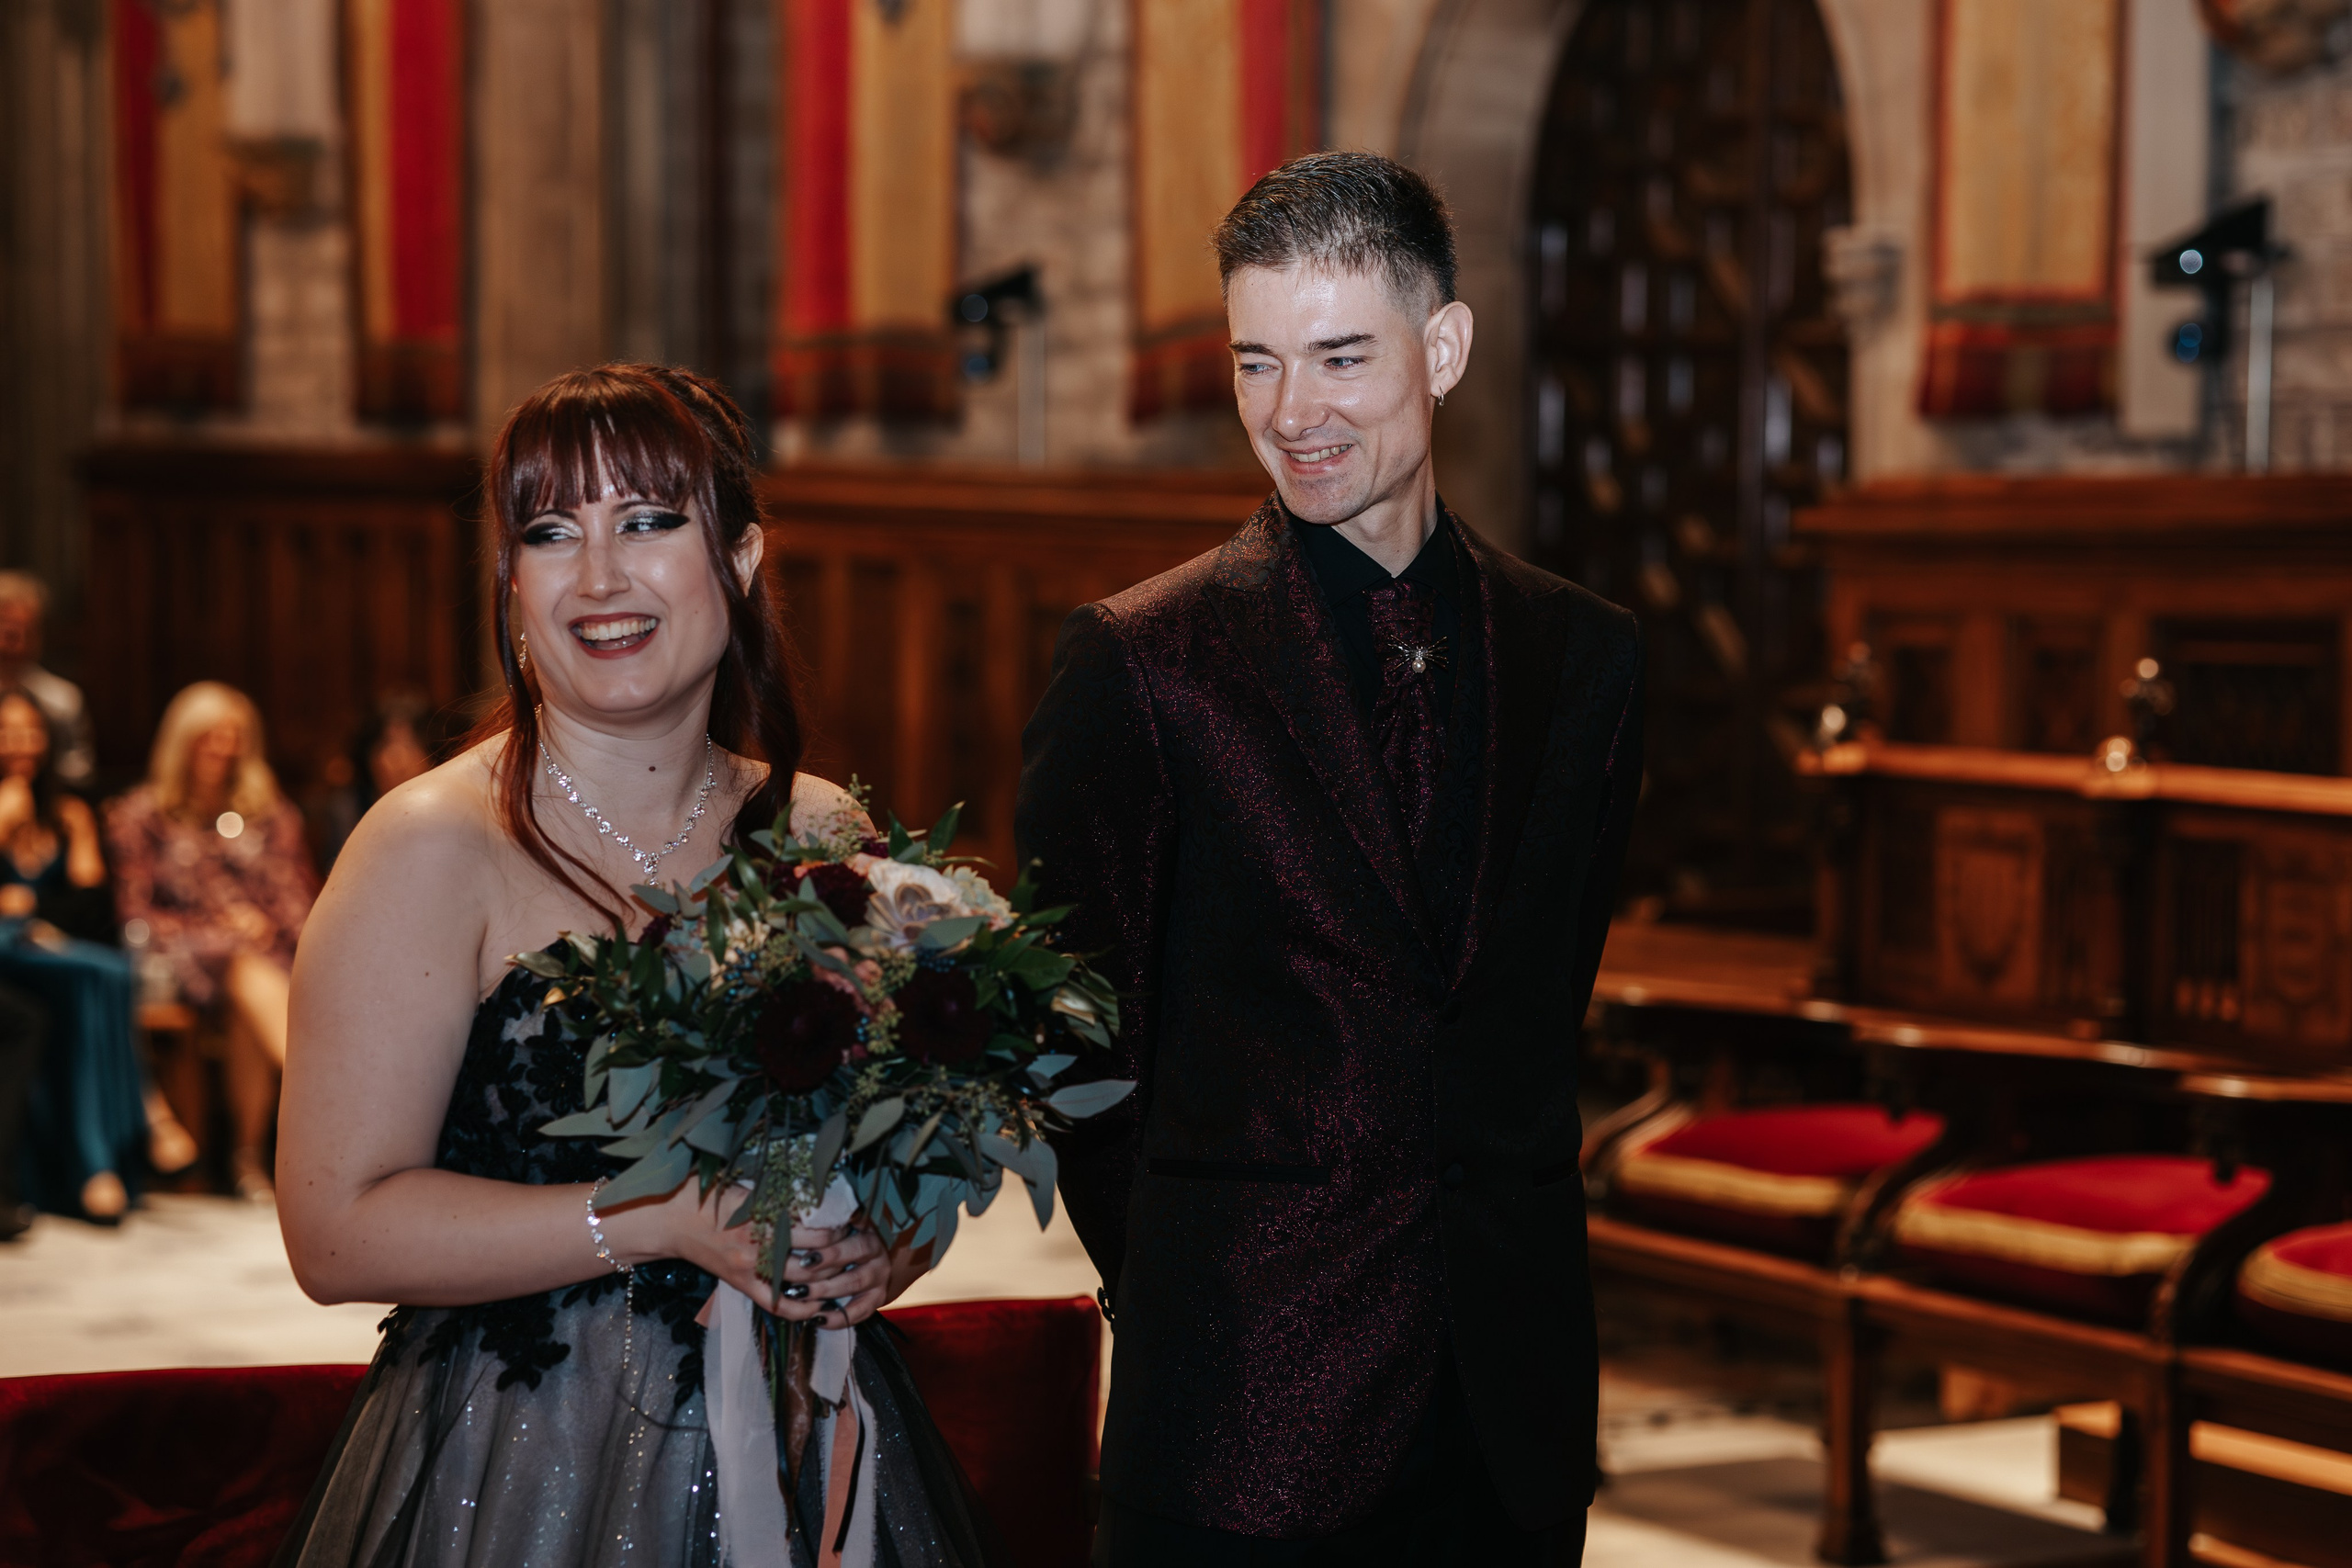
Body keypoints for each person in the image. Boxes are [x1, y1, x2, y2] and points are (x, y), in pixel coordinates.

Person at [1019, 152, 1645, 1566]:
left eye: (1340, 357)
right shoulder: (1142, 661)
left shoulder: (1587, 654)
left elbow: (1539, 1002)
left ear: (1445, 345)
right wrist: (1201, 1292)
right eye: (1257, 363)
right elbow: (1074, 1044)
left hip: (1512, 1411)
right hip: (1245, 1408)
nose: (1292, 414)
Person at [274, 365, 999, 1567]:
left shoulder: (825, 836)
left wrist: (889, 1241)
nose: (601, 576)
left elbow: (909, 1147)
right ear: (512, 582)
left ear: (745, 558)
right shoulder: (428, 846)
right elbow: (334, 1232)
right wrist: (659, 1217)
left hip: (802, 1430)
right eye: (551, 532)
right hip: (516, 1451)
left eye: (651, 520)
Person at [106, 682, 317, 1200]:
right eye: (209, 737)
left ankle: (246, 1160)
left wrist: (261, 924)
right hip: (178, 956)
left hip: (259, 959)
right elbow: (135, 913)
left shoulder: (271, 811)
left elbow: (297, 897)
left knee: (253, 991)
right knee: (245, 968)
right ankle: (321, 1094)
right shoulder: (141, 814)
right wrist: (220, 930)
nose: (222, 748)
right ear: (183, 742)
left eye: (233, 737)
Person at [0, 689, 190, 1221]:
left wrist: (31, 904)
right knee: (96, 971)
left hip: (45, 947)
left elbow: (87, 904)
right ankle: (140, 1128)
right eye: (6, 730)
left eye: (30, 731)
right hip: (8, 947)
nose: (19, 743)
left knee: (106, 972)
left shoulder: (67, 811)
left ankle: (102, 1162)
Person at [311, 692, 437, 872]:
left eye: (410, 745)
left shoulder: (450, 811)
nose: (397, 759)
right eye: (386, 744)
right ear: (368, 753)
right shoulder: (346, 809)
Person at [0, 572, 96, 786]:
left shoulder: (62, 699)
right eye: (10, 631)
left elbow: (78, 771)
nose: (20, 642)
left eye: (29, 631)